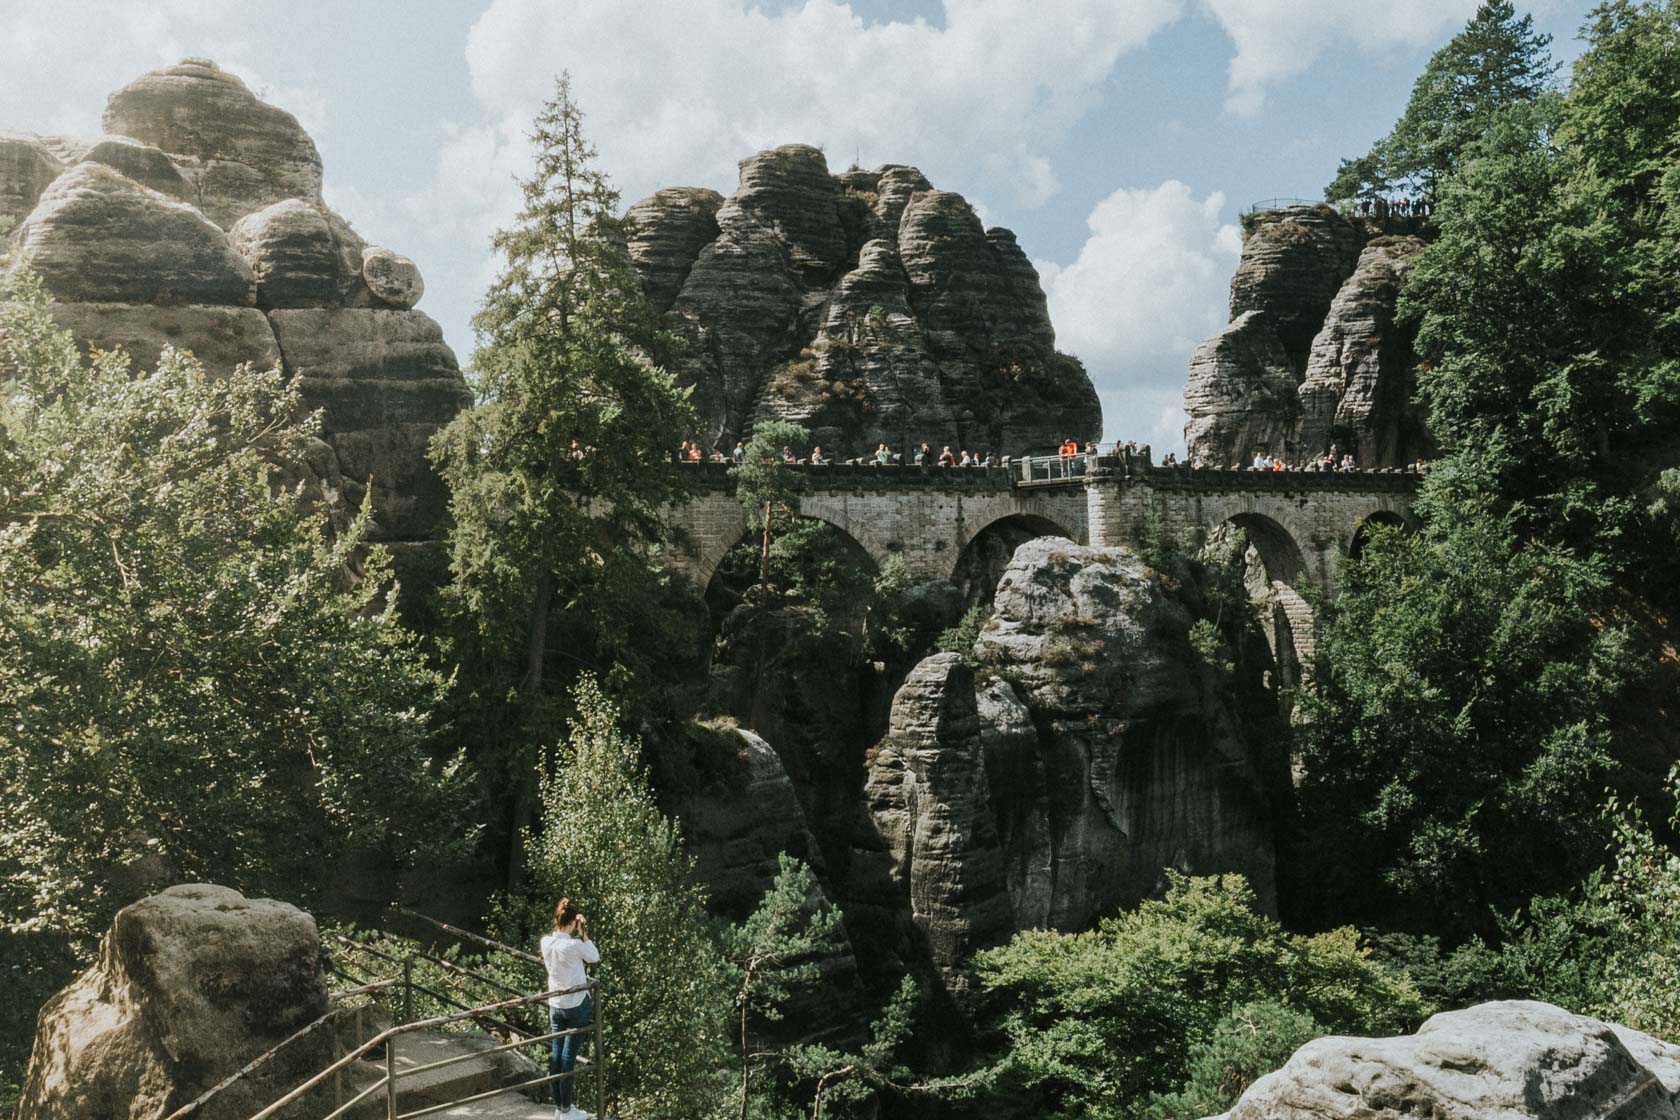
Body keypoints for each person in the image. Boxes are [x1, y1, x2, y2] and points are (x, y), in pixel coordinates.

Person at [542, 898, 599, 1120]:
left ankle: (561, 1107)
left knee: (556, 1057)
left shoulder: (545, 942)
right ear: (574, 922)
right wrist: (583, 932)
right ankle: (567, 1112)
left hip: (555, 1004)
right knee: (568, 1059)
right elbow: (594, 957)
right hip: (576, 1005)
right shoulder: (574, 945)